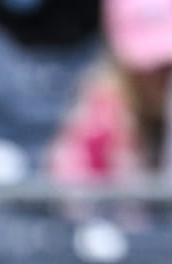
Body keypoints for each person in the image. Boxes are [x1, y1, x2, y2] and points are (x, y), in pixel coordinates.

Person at [47, 0, 172, 184]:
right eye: (149, 67)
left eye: (167, 65)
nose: (160, 75)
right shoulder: (98, 121)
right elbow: (68, 187)